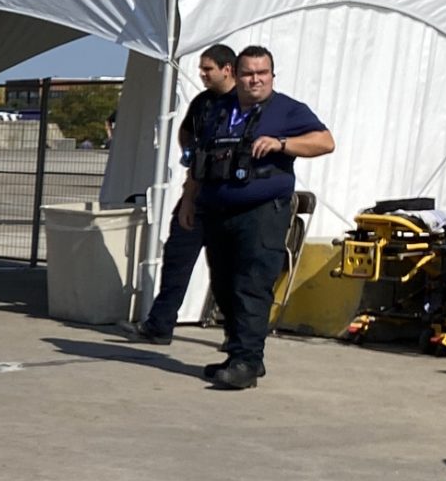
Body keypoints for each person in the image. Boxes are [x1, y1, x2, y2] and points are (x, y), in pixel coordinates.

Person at [195, 44, 333, 389]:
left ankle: (247, 362)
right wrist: (188, 202)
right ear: (235, 75)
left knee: (251, 286)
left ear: (272, 75)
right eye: (248, 73)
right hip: (218, 209)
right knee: (225, 286)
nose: (255, 79)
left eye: (262, 73)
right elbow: (199, 152)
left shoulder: (287, 110)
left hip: (262, 213)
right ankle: (239, 354)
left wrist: (282, 144)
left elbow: (325, 142)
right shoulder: (217, 108)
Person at [137, 44, 240, 342]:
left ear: (227, 69)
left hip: (227, 201)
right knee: (177, 260)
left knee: (226, 274)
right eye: (201, 69)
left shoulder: (243, 104)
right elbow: (187, 134)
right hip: (196, 195)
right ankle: (160, 324)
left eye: (208, 69)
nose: (202, 74)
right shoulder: (204, 103)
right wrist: (191, 158)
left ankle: (237, 336)